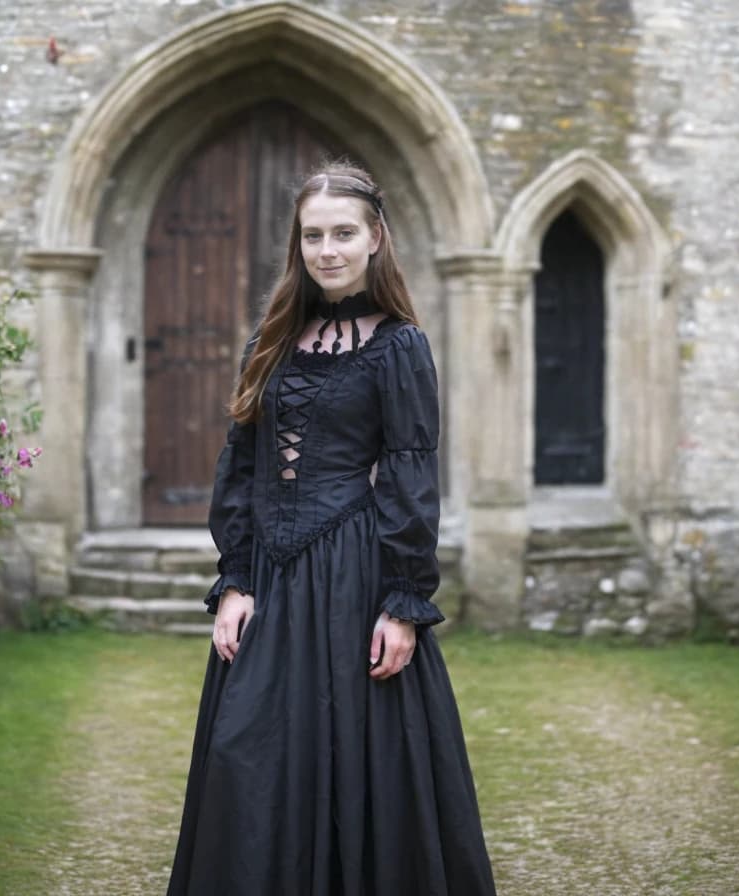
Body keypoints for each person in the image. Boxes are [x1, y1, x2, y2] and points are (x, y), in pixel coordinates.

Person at [166, 162, 498, 896]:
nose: (328, 249)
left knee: (359, 765)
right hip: (274, 584)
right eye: (313, 235)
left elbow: (412, 476)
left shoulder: (400, 346)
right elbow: (243, 462)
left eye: (343, 233)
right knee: (245, 755)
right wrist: (237, 580)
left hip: (354, 579)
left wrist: (403, 602)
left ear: (375, 237)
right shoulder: (278, 338)